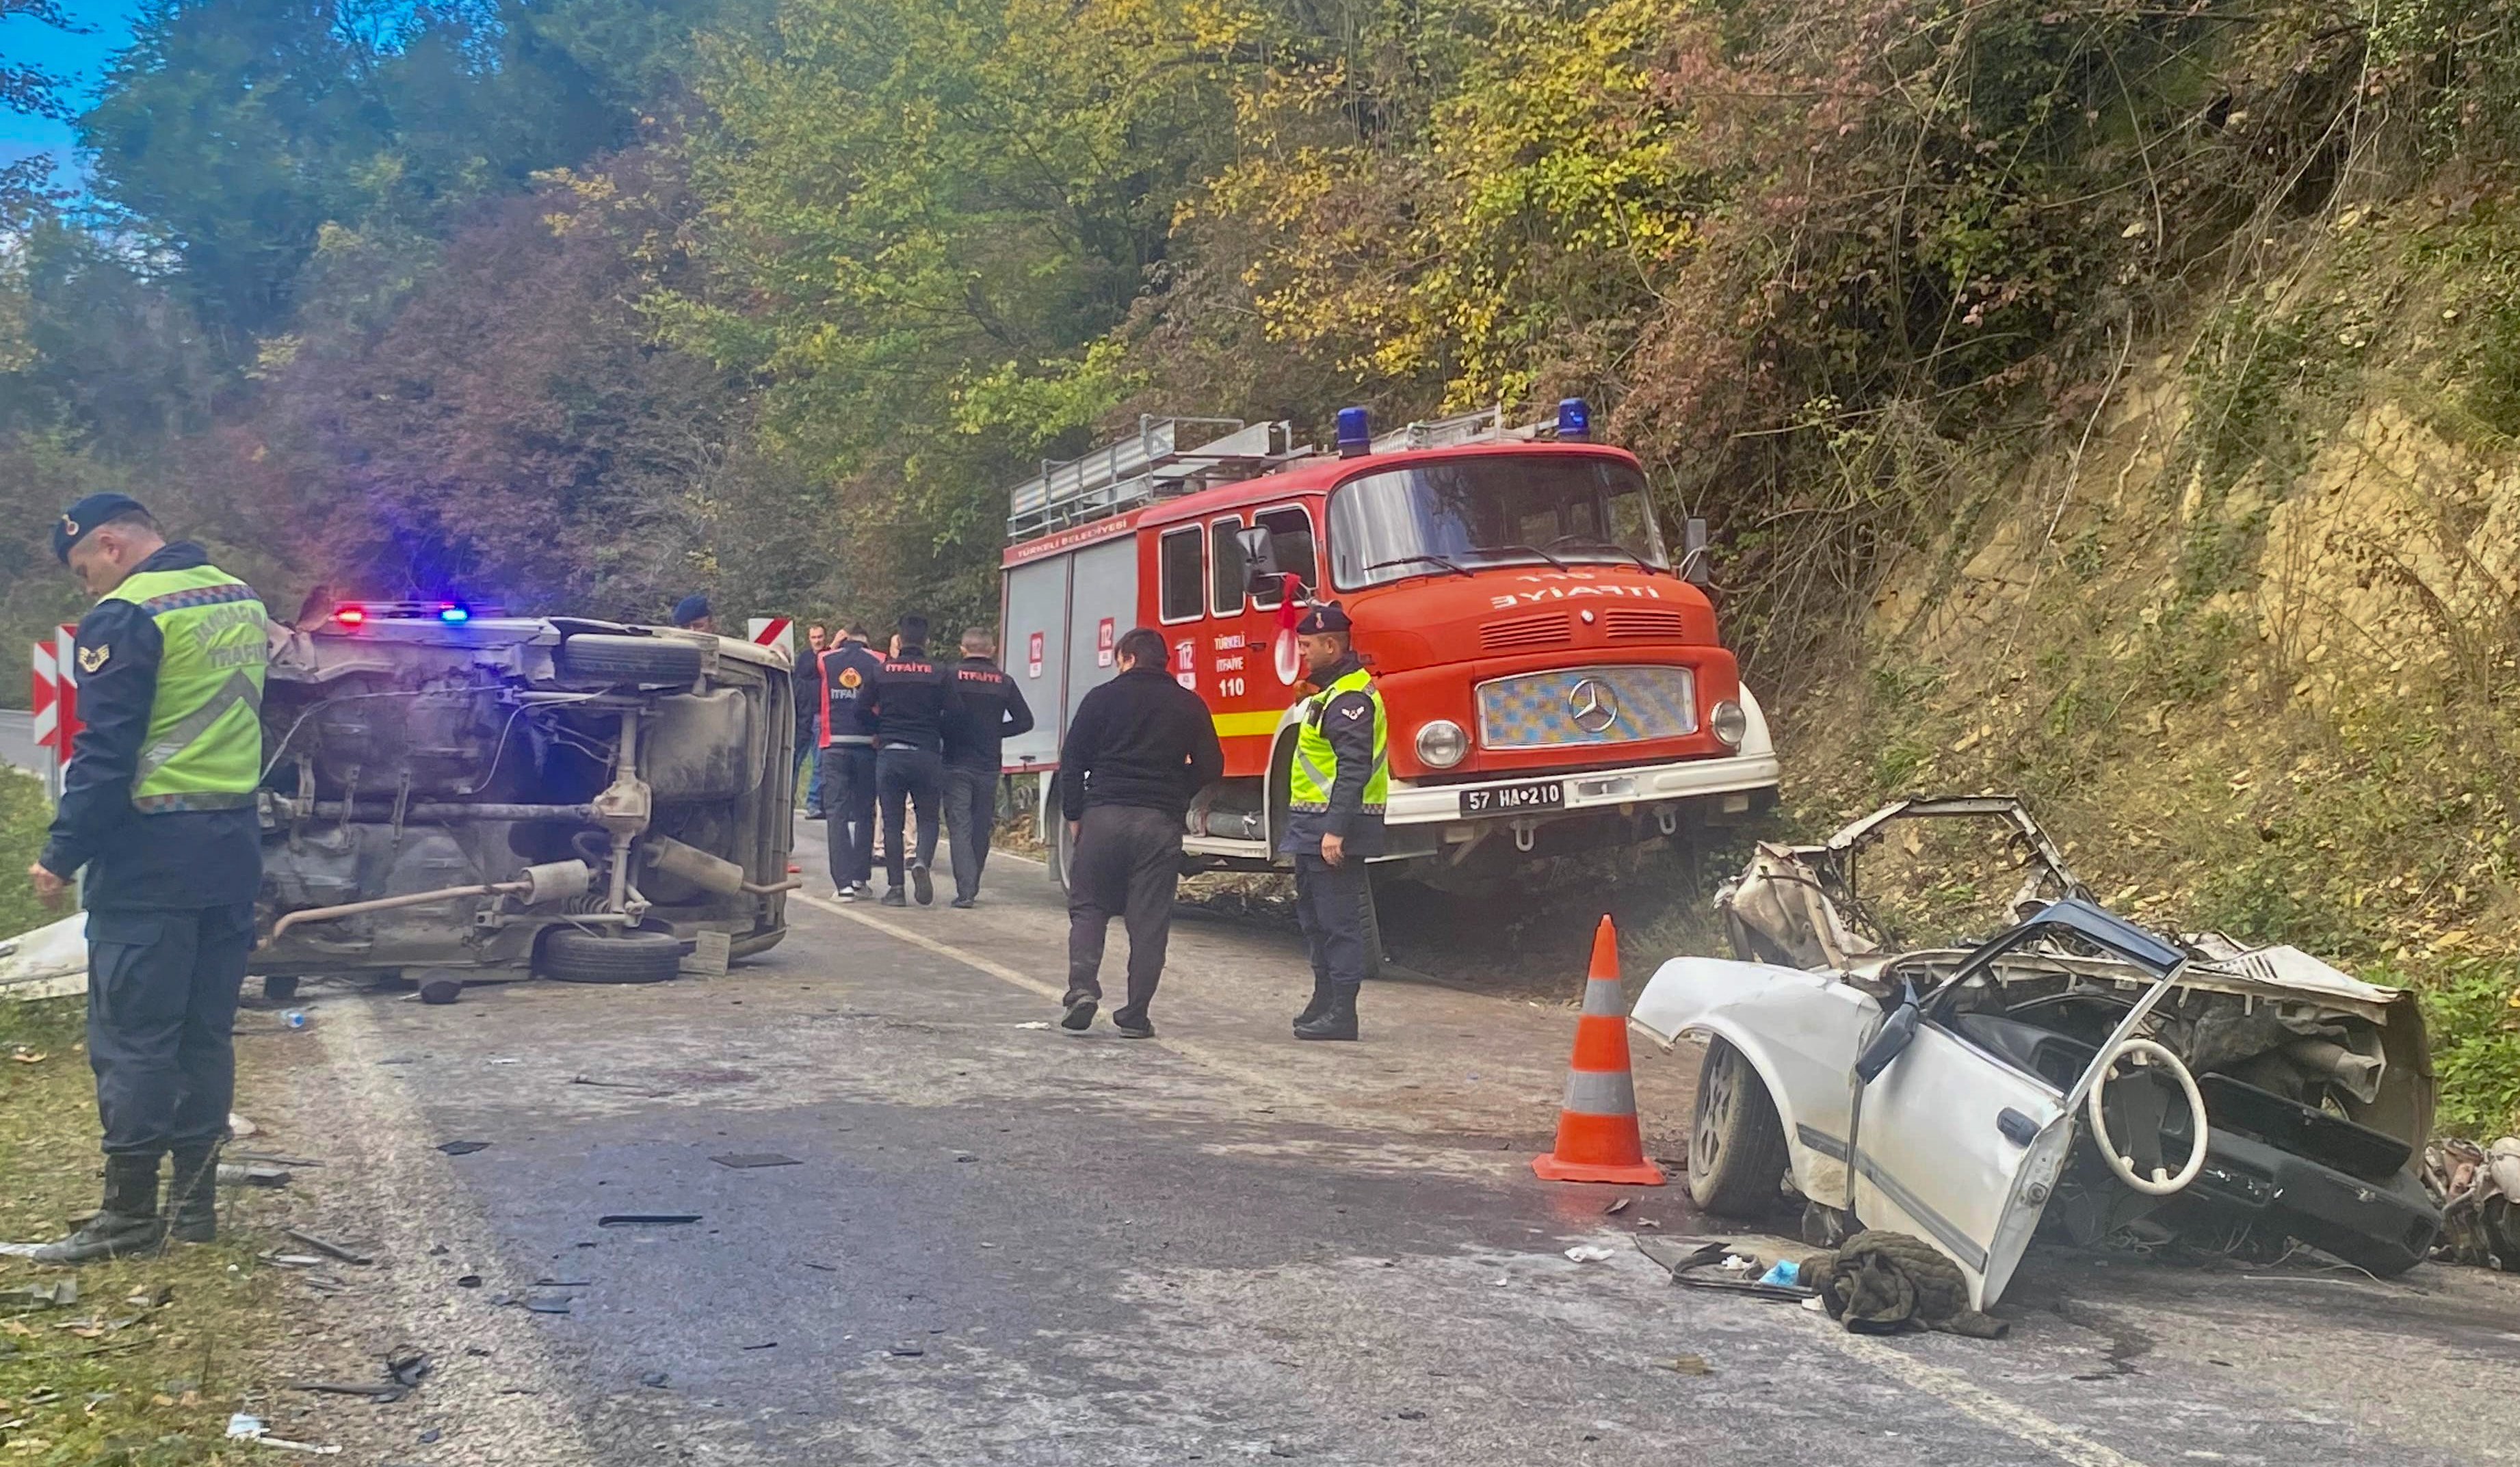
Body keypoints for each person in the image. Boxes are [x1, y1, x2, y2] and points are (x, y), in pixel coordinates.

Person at [25, 495, 270, 1263]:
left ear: (108, 544)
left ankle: (129, 1219)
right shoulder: (238, 595)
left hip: (149, 856)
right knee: (204, 1036)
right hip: (231, 848)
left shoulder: (128, 614)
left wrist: (60, 852)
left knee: (133, 1038)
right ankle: (194, 1212)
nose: (86, 589)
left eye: (83, 571)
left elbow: (105, 753)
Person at [1058, 626, 1223, 1038]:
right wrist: (1175, 793)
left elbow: (1072, 760)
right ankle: (1135, 1014)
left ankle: (1082, 987)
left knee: (1090, 906)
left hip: (1104, 815)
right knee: (1149, 921)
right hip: (1158, 824)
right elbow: (1211, 765)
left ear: (1128, 657)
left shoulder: (1102, 698)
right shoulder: (1188, 704)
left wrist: (1076, 813)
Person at [1280, 603, 1386, 1042]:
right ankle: (1324, 1000)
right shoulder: (1328, 693)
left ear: (1330, 644)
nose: (1302, 653)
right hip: (1312, 828)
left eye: (1307, 646)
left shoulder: (1350, 700)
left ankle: (1343, 1013)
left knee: (1339, 922)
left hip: (1333, 831)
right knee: (1314, 919)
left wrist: (1336, 829)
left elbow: (1353, 768)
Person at [863, 615, 958, 906]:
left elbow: (859, 709)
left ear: (900, 641)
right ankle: (921, 862)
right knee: (928, 818)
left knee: (892, 823)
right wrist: (937, 733)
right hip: (926, 754)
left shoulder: (882, 672)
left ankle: (895, 890)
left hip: (891, 754)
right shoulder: (939, 673)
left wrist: (878, 730)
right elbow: (956, 712)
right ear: (926, 641)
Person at [939, 628, 1034, 908]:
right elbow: (1025, 721)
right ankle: (973, 883)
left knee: (960, 826)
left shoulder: (951, 677)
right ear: (992, 650)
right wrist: (994, 731)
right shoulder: (1004, 682)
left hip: (956, 761)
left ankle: (965, 889)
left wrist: (947, 734)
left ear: (963, 649)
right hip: (989, 764)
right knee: (981, 827)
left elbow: (937, 715)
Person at [818, 623, 884, 899]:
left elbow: (818, 662)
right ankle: (860, 879)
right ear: (866, 641)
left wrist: (834, 644)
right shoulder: (879, 660)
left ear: (845, 639)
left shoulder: (826, 659)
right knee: (865, 813)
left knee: (837, 814)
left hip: (834, 745)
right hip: (868, 745)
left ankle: (842, 885)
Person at [795, 624, 827, 819]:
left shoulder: (832, 656)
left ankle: (814, 803)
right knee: (794, 762)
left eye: (820, 637)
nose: (818, 641)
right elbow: (807, 670)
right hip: (802, 718)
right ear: (809, 639)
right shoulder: (805, 658)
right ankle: (786, 799)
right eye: (814, 637)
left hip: (820, 717)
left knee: (819, 764)